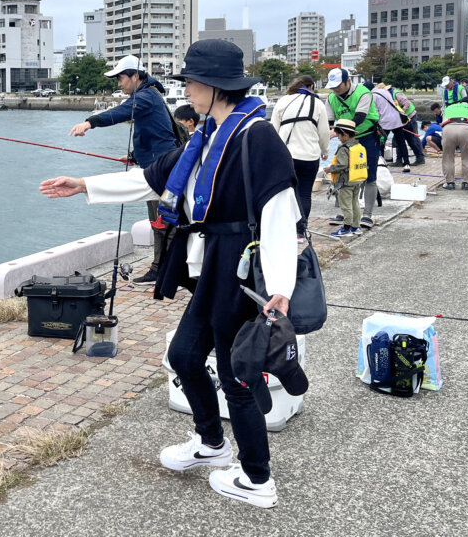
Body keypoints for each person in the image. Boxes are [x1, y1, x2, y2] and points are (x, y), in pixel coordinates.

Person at [41, 39, 299, 509]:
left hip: (240, 265)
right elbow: (152, 176)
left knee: (237, 372)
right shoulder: (206, 134)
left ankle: (257, 478)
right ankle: (211, 444)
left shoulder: (254, 135)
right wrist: (84, 185)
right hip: (211, 264)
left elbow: (280, 208)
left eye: (191, 82)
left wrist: (280, 288)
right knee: (183, 356)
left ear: (212, 86)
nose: (188, 90)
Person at [69, 55, 179, 284]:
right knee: (161, 222)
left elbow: (120, 113)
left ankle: (163, 271)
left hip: (161, 171)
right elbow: (154, 134)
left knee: (163, 223)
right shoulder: (149, 96)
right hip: (158, 166)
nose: (119, 83)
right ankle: (164, 269)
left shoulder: (146, 96)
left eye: (121, 78)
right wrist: (134, 157)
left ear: (135, 77)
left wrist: (89, 123)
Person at [270, 75, 328, 239]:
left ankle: (284, 229)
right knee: (304, 193)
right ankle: (300, 232)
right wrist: (325, 150)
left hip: (286, 156)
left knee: (285, 194)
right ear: (310, 87)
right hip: (310, 155)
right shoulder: (317, 103)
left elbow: (273, 130)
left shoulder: (283, 101)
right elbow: (323, 132)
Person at [325, 67, 380, 229]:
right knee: (342, 173)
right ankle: (344, 212)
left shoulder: (363, 93)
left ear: (348, 81)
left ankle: (368, 214)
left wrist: (338, 131)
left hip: (367, 136)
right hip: (346, 140)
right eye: (332, 87)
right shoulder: (331, 98)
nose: (336, 90)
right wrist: (327, 137)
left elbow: (360, 117)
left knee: (368, 174)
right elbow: (329, 120)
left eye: (339, 86)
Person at [324, 119, 364, 236]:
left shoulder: (344, 148)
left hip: (345, 182)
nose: (337, 138)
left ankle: (346, 228)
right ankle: (356, 227)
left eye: (338, 135)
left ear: (345, 135)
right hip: (356, 180)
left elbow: (342, 164)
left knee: (346, 206)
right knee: (355, 204)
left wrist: (330, 169)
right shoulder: (358, 145)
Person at [439, 93, 468, 190]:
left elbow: (443, 122)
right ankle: (467, 183)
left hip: (448, 129)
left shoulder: (449, 107)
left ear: (461, 102)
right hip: (466, 129)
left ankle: (449, 183)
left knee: (448, 157)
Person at [370, 83, 410, 169]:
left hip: (385, 123)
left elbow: (376, 112)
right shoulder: (385, 92)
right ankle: (406, 164)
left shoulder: (372, 96)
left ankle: (382, 164)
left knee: (381, 143)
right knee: (401, 142)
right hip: (396, 120)